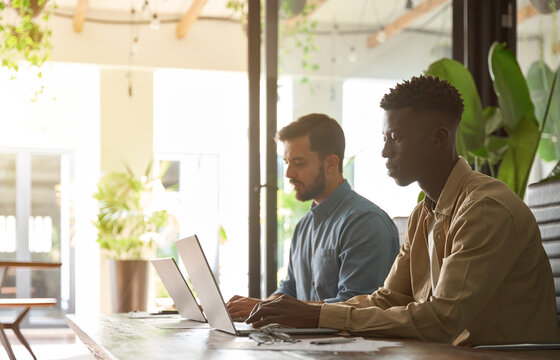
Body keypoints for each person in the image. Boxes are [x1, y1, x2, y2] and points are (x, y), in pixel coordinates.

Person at [244, 76, 560, 346]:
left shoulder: (484, 209)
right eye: (384, 138)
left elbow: (443, 319)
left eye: (395, 138)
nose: (384, 151)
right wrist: (311, 314)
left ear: (440, 138)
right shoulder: (424, 214)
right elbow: (390, 298)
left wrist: (317, 315)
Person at [227, 113, 399, 320]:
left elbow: (356, 306)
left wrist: (264, 307)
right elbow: (289, 289)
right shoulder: (304, 226)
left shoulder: (365, 222)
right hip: (302, 347)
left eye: (298, 163)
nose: (288, 173)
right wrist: (252, 310)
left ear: (331, 164)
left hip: (349, 350)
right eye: (287, 162)